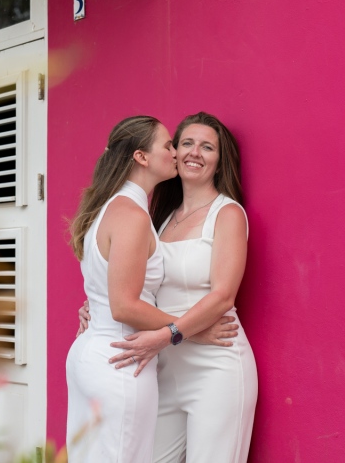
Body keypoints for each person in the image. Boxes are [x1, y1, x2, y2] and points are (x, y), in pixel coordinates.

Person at [78, 112, 258, 462]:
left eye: (207, 147)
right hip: (163, 367)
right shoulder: (159, 219)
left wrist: (170, 334)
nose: (194, 153)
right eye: (186, 143)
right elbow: (135, 283)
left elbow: (223, 296)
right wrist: (95, 304)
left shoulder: (228, 214)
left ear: (219, 161)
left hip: (215, 364)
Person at [65, 115, 178, 462]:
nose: (175, 152)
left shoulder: (109, 208)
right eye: (168, 145)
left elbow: (107, 292)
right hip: (121, 360)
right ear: (141, 157)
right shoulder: (131, 214)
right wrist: (187, 327)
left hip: (95, 354)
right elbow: (125, 306)